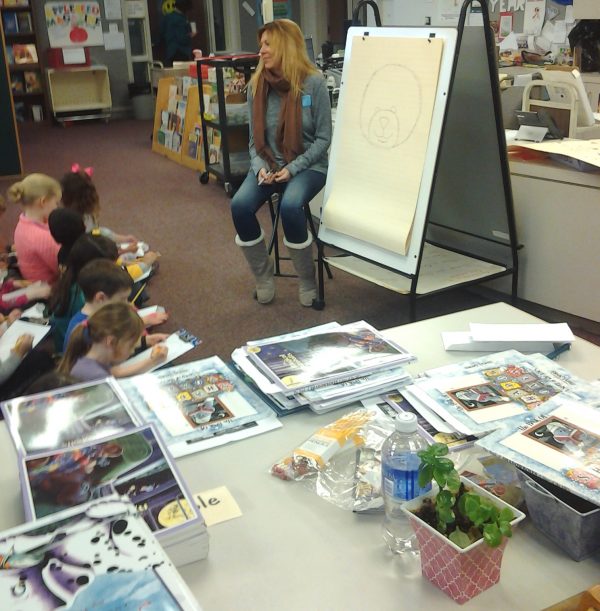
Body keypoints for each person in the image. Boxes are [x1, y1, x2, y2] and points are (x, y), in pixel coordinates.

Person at [231, 19, 332, 307]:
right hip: (268, 165)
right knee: (239, 206)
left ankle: (307, 281)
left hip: (308, 166)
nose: (261, 50)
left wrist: (292, 169)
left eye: (268, 44)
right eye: (261, 44)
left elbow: (323, 139)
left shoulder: (314, 83)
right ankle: (263, 277)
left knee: (290, 206)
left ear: (286, 45)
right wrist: (259, 168)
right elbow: (254, 142)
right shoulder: (256, 86)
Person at [58, 302, 168, 382]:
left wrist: (152, 360)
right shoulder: (97, 376)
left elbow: (114, 372)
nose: (132, 351)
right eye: (131, 346)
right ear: (111, 342)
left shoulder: (89, 351)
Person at [60, 164, 138, 254]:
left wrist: (123, 238)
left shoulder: (84, 216)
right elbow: (93, 252)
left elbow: (98, 232)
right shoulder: (78, 224)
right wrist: (123, 251)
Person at [7, 173, 62, 284]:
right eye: (56, 203)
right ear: (43, 202)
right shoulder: (42, 238)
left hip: (34, 282)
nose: (57, 207)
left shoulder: (22, 223)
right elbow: (64, 269)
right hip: (50, 287)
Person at [160, 0, 193, 67]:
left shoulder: (167, 17)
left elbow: (162, 34)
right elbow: (182, 38)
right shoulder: (181, 19)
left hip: (170, 52)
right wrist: (191, 35)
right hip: (181, 52)